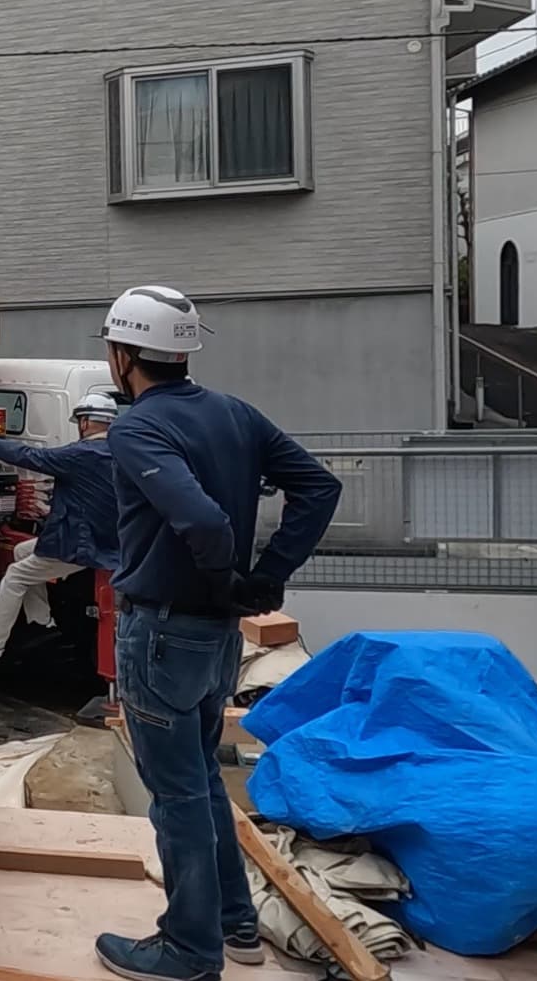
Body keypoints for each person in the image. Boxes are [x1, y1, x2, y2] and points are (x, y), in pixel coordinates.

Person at [91, 285, 342, 981]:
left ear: (123, 355)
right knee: (201, 778)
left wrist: (228, 573)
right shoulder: (233, 413)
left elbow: (202, 521)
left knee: (177, 796)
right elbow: (319, 486)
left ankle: (189, 950)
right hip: (216, 638)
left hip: (163, 633)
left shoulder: (137, 429)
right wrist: (266, 577)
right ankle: (236, 922)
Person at [0, 391, 122, 660]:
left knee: (15, 576)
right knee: (21, 552)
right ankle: (42, 623)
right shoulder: (118, 452)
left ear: (85, 422)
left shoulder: (81, 454)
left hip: (78, 544)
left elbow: (30, 456)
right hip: (103, 540)